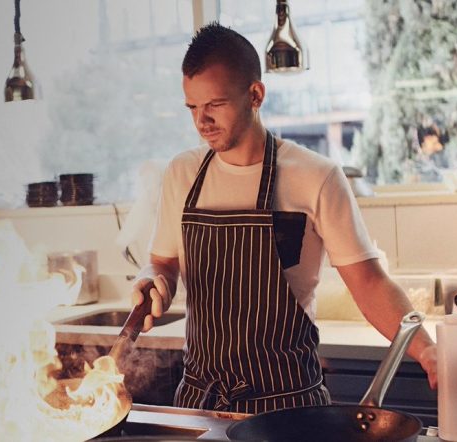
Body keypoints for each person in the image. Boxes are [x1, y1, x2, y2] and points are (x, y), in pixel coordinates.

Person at [130, 23, 437, 414]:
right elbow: (164, 262)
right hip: (202, 404)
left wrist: (426, 350)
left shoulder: (315, 175)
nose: (200, 121)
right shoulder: (182, 173)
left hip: (289, 407)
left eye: (215, 105)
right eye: (192, 107)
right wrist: (151, 280)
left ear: (255, 94)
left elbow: (369, 284)